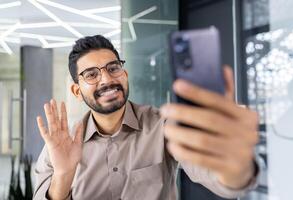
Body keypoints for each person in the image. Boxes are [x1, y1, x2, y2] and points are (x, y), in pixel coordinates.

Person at [33, 35, 259, 200]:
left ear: (125, 75)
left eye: (113, 68)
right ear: (76, 91)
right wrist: (63, 174)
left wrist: (235, 166)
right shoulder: (61, 143)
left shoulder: (163, 126)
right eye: (91, 74)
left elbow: (221, 179)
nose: (106, 79)